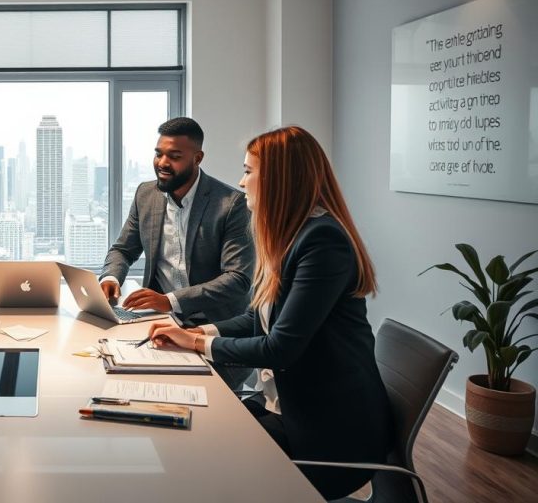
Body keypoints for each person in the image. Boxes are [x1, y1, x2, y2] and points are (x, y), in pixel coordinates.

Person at [146, 126, 393, 499]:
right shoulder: (293, 235)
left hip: (330, 437)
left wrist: (196, 344)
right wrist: (198, 334)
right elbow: (258, 319)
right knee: (192, 434)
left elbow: (280, 347)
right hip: (291, 410)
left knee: (198, 465)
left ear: (279, 180)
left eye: (248, 170)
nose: (241, 183)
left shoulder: (322, 242)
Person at [98, 116, 254, 388]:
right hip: (159, 326)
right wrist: (111, 279)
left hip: (215, 329)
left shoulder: (231, 204)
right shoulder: (146, 194)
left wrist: (169, 300)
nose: (162, 163)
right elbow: (123, 249)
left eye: (174, 156)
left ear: (197, 158)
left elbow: (238, 278)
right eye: (158, 154)